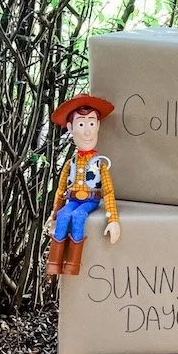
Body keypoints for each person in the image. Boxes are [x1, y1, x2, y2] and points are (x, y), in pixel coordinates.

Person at [46, 93, 121, 277]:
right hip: (72, 199)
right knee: (65, 215)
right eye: (81, 124)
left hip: (90, 200)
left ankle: (73, 263)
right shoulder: (70, 163)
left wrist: (113, 220)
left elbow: (109, 191)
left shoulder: (99, 163)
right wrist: (54, 213)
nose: (87, 131)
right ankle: (54, 263)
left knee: (79, 216)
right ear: (71, 128)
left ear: (98, 126)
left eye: (91, 123)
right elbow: (61, 190)